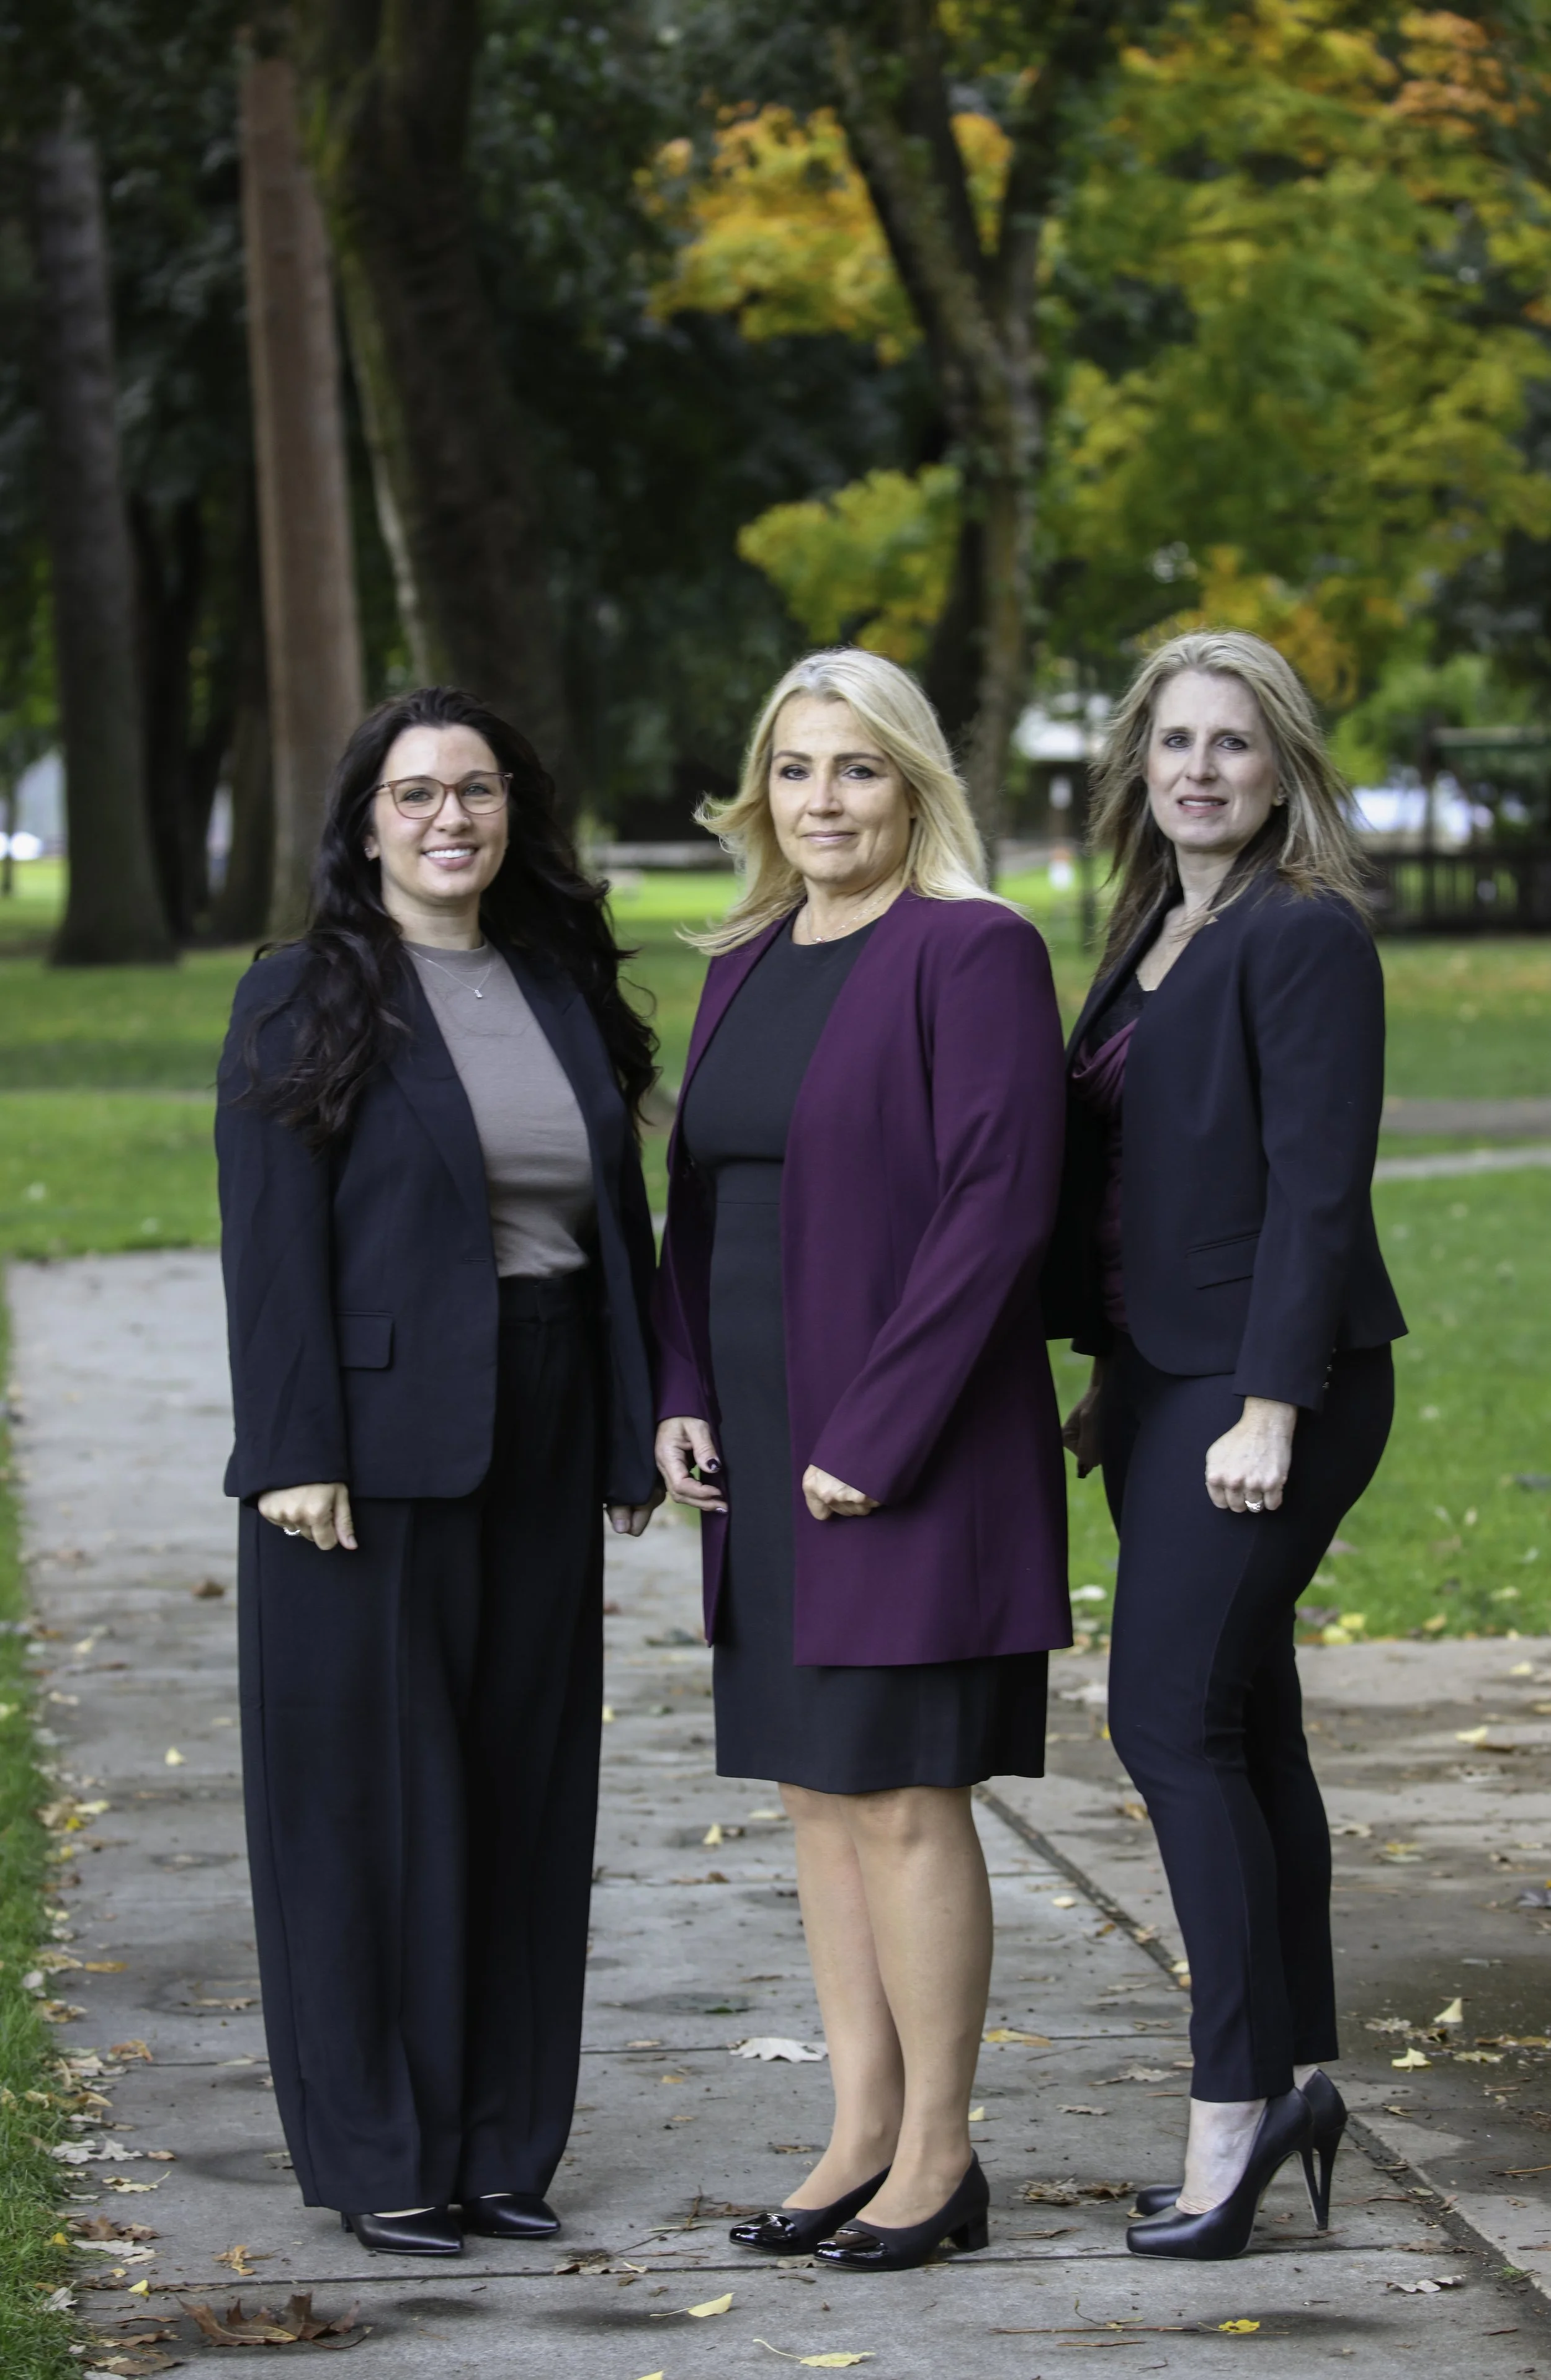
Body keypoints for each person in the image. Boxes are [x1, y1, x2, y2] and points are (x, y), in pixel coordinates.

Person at [216, 686, 659, 2258]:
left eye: (474, 792)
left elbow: (616, 1232)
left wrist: (627, 1421)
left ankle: (496, 2146)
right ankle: (379, 2151)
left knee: (526, 1787)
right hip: (366, 1453)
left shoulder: (557, 986)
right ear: (362, 825)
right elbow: (268, 1251)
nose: (448, 819)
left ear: (511, 814)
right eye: (413, 796)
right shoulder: (303, 992)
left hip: (542, 1423)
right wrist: (290, 1449)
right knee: (365, 1804)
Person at [653, 648, 1070, 2275]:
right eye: (795, 769)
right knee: (814, 1796)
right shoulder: (744, 959)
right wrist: (680, 1384)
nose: (820, 800)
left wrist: (873, 1438)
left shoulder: (971, 953)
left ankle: (940, 2154)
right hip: (759, 1442)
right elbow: (700, 1203)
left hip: (904, 1443)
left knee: (904, 1797)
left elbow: (997, 1210)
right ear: (760, 791)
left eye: (857, 769)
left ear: (915, 788)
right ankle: (854, 2129)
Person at [1045, 630, 1405, 2260]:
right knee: (1248, 1728)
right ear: (1140, 763)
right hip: (1165, 1376)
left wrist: (1268, 1400)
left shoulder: (1301, 933)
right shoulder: (1153, 927)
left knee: (1167, 1717)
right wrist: (1115, 1377)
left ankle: (1230, 2109)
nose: (1198, 768)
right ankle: (1296, 2075)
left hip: (1275, 1383)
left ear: (1283, 771)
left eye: (1233, 745)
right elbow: (1141, 1174)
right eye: (1174, 741)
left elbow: (1314, 1186)